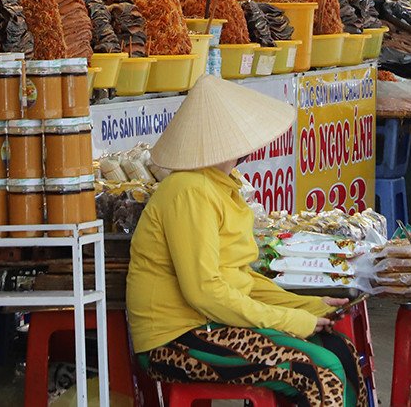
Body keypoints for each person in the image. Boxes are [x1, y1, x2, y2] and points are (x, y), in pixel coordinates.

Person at [127, 75, 364, 407]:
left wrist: (307, 306)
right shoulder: (189, 191)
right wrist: (291, 319)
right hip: (174, 339)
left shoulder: (220, 185)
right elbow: (204, 291)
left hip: (209, 324)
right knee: (317, 370)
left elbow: (240, 279)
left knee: (339, 350)